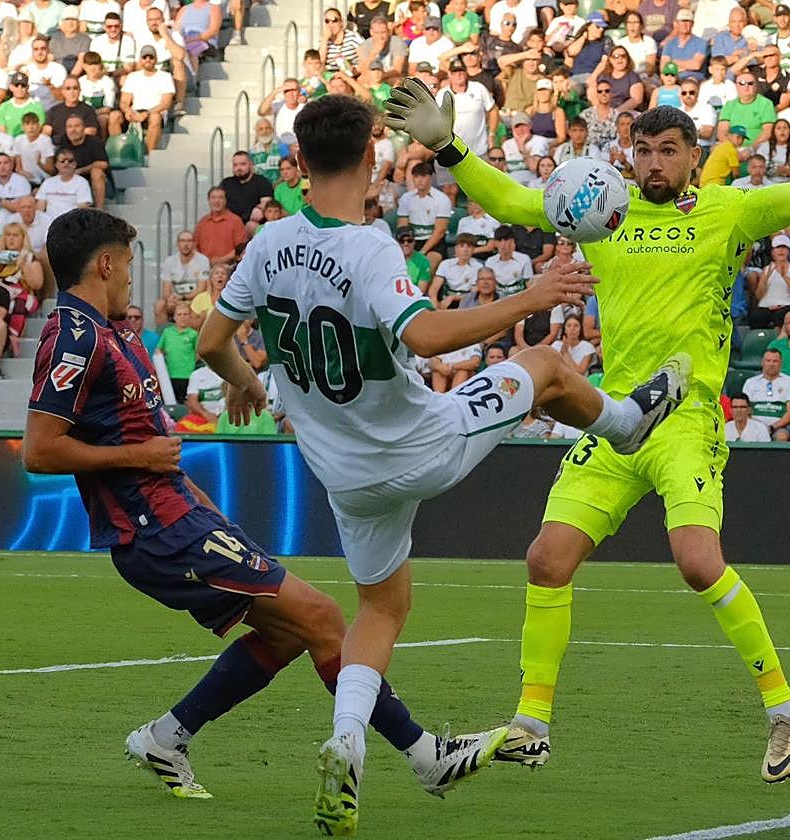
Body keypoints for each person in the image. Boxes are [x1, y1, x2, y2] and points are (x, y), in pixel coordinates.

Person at [385, 51, 790, 782]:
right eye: (643, 149)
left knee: (698, 562)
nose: (654, 161)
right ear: (628, 158)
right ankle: (533, 721)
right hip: (612, 417)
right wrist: (448, 149)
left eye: (668, 150)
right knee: (545, 559)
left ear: (695, 158)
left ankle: (783, 708)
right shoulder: (604, 210)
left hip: (686, 419)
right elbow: (511, 202)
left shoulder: (729, 211)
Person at [197, 94, 686, 835]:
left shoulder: (266, 245)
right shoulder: (368, 248)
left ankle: (347, 738)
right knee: (547, 363)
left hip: (344, 478)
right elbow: (425, 338)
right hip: (425, 445)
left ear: (298, 162)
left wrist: (244, 380)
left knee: (382, 609)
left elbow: (208, 343)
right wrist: (534, 293)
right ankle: (625, 424)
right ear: (372, 155)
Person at [24, 207, 504, 811]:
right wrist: (142, 455)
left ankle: (166, 738)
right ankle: (424, 755)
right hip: (152, 529)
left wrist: (195, 494)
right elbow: (40, 450)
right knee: (324, 618)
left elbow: (146, 448)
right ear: (104, 262)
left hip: (176, 516)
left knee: (289, 632)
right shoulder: (75, 334)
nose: (130, 276)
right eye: (127, 262)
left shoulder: (112, 330)